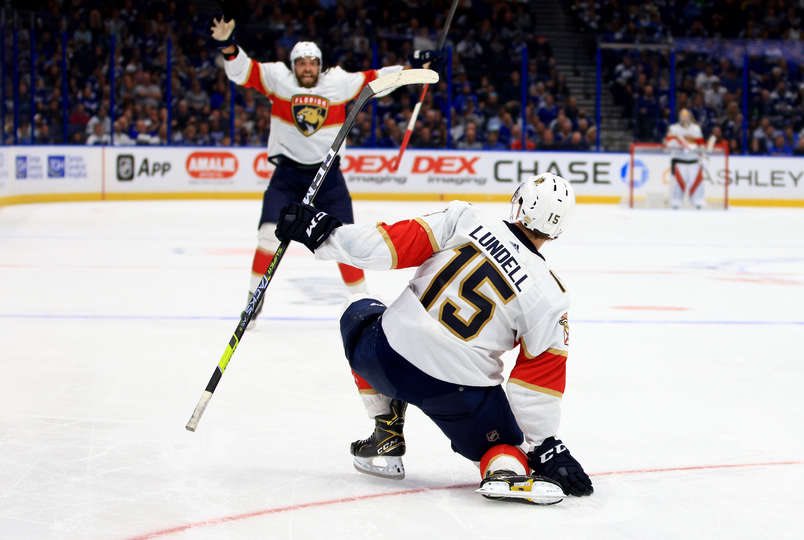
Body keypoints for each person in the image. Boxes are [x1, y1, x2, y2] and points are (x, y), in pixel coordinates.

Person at [275, 173, 593, 503]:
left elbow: (388, 245)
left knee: (358, 310)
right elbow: (536, 384)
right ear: (557, 231)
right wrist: (544, 444)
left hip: (385, 354)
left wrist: (323, 234)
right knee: (502, 446)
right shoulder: (551, 296)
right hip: (456, 391)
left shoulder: (465, 218)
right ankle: (504, 472)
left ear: (520, 201)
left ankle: (386, 429)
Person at [210, 17, 439, 321]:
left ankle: (362, 301)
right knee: (268, 237)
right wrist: (228, 45)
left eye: (312, 62)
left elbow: (377, 81)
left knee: (346, 241)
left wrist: (411, 68)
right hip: (288, 176)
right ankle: (254, 300)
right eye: (302, 63)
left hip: (328, 178)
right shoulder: (278, 79)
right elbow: (243, 71)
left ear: (320, 65)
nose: (307, 68)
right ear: (293, 65)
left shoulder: (338, 82)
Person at [665, 108, 707, 209]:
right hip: (679, 161)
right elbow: (669, 144)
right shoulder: (673, 128)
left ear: (689, 117)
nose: (684, 118)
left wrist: (694, 146)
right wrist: (681, 145)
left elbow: (701, 144)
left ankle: (698, 201)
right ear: (679, 117)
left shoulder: (696, 129)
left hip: (694, 161)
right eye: (682, 115)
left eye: (686, 115)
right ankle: (676, 202)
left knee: (696, 183)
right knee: (677, 184)